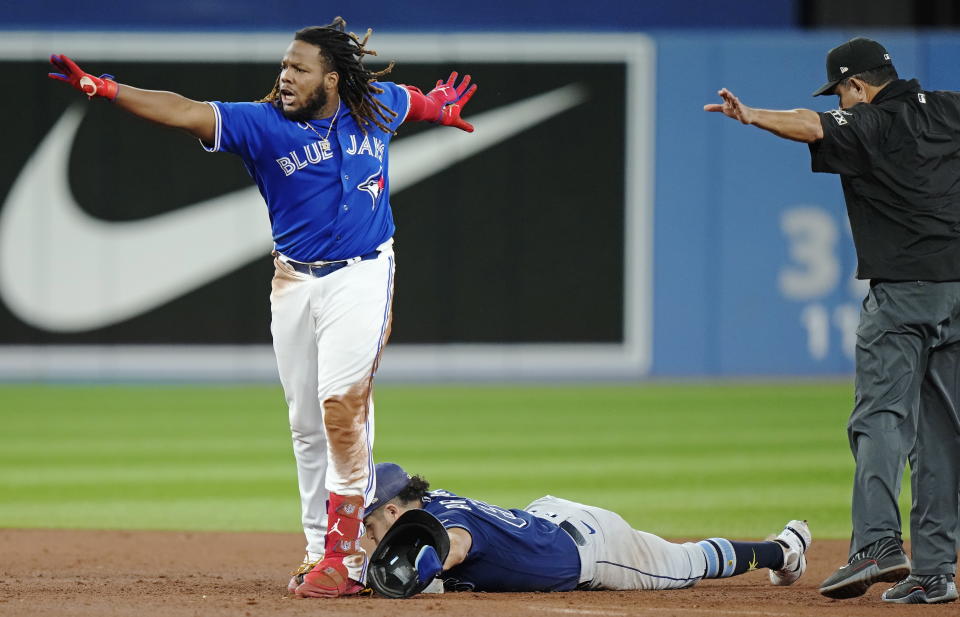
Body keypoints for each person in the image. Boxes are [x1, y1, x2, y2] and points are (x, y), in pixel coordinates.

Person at [48, 18, 477, 599]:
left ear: (332, 77)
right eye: (283, 66)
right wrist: (108, 89)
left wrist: (438, 107)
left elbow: (416, 104)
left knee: (341, 410)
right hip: (293, 282)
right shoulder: (263, 124)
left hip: (363, 274)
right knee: (306, 426)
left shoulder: (373, 105)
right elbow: (183, 110)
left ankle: (344, 559)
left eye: (300, 68)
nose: (286, 76)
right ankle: (314, 551)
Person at [704, 36, 960, 605]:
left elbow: (810, 124)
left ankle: (875, 544)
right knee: (942, 435)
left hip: (902, 297)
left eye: (843, 91)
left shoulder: (870, 121)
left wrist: (750, 117)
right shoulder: (948, 109)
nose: (842, 101)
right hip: (957, 292)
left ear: (858, 86)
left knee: (880, 420)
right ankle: (936, 571)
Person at [362, 462, 810, 594]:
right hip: (548, 518)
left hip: (594, 548)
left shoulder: (442, 524)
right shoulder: (429, 505)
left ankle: (785, 550)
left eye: (369, 525)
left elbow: (455, 543)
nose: (367, 538)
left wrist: (435, 562)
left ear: (392, 512)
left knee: (685, 563)